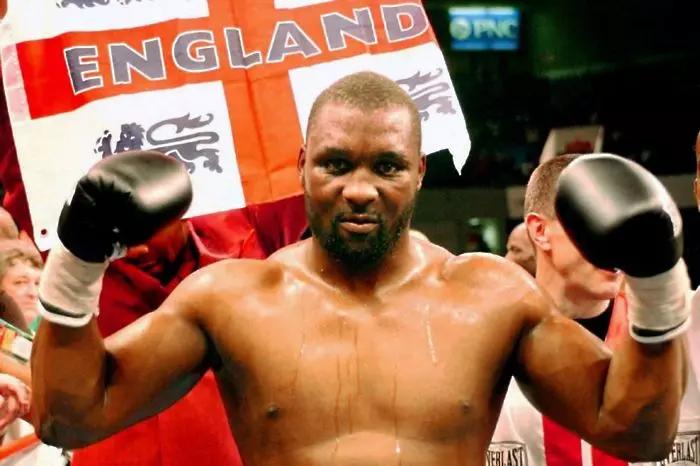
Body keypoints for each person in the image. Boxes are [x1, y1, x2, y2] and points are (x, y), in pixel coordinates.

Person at [32, 72, 690, 464]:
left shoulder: (490, 295)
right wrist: (80, 255)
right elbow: (72, 417)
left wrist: (658, 283)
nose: (359, 189)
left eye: (387, 166)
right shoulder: (231, 298)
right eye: (336, 164)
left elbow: (634, 430)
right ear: (301, 167)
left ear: (421, 172)